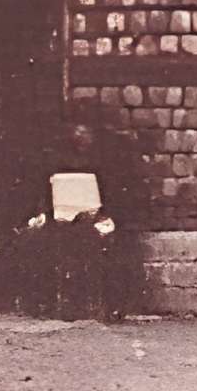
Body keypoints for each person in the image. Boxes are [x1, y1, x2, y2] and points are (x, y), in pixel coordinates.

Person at [20, 120, 144, 320]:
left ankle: (109, 305)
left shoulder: (104, 166)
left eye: (85, 136)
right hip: (62, 222)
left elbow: (113, 199)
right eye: (77, 137)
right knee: (39, 242)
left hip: (95, 221)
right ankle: (46, 303)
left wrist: (103, 216)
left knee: (113, 247)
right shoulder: (56, 165)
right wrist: (45, 214)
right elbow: (46, 199)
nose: (81, 141)